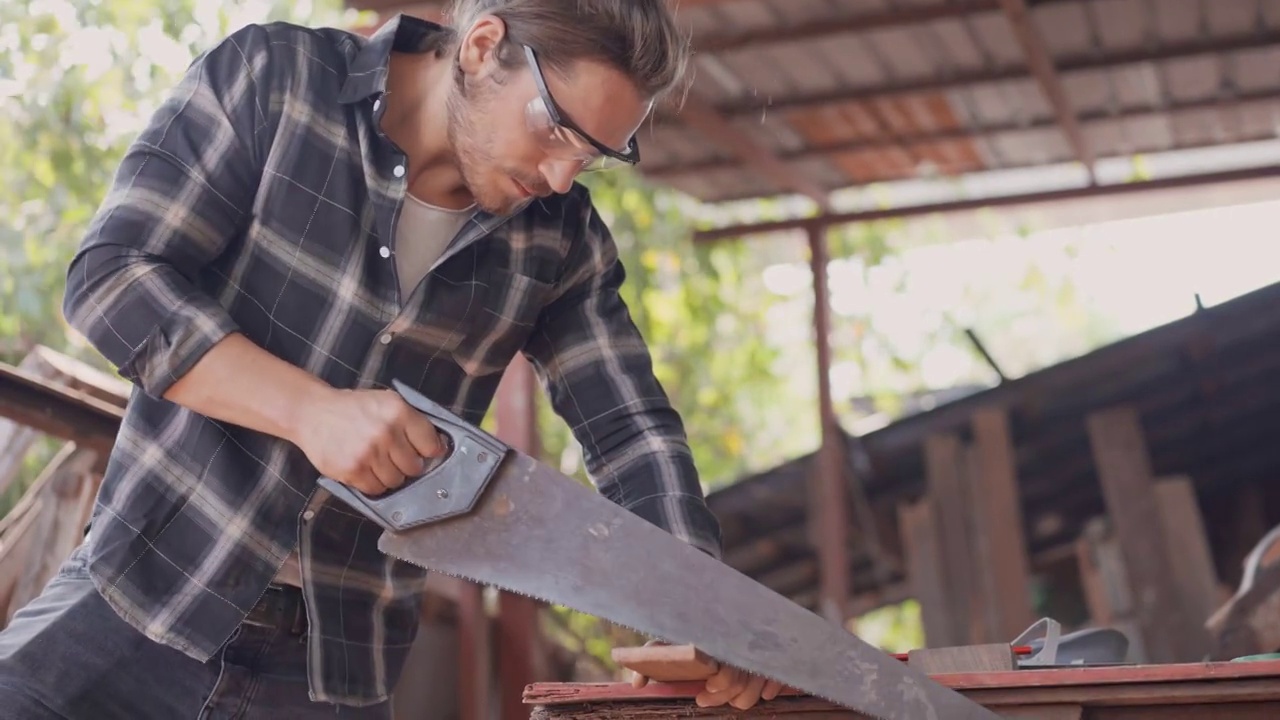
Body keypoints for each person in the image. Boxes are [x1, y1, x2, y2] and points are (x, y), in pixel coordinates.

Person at [0, 0, 785, 717]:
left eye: (594, 156)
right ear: (483, 46)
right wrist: (309, 411)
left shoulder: (560, 241)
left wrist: (697, 614)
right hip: (133, 604)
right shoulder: (275, 83)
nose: (558, 176)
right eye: (554, 130)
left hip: (332, 675)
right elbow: (113, 278)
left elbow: (631, 431)